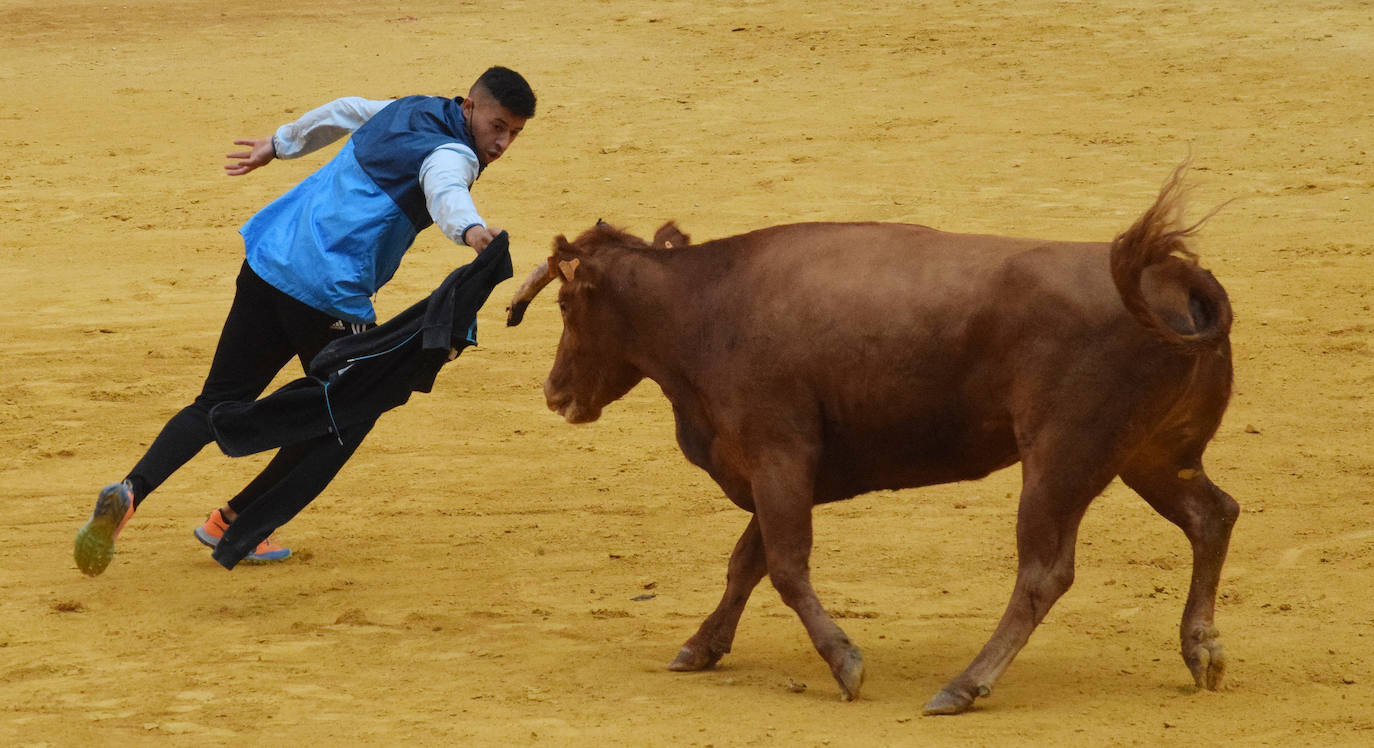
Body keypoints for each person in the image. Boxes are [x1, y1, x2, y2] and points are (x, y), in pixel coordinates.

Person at [74, 66, 536, 576]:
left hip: (270, 257)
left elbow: (345, 110)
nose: (503, 142)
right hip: (327, 292)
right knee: (347, 411)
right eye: (498, 126)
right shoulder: (455, 153)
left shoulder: (407, 107)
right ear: (470, 106)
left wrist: (279, 143)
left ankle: (131, 491)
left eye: (514, 132)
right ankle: (236, 521)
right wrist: (469, 230)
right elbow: (445, 188)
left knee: (217, 400)